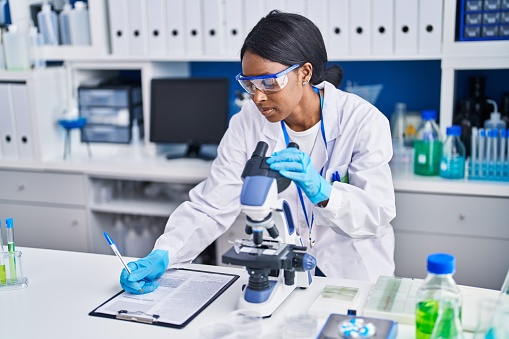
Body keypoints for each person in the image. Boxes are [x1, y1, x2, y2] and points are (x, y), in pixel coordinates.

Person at [120, 10, 396, 294]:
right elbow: (213, 204)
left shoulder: (363, 122)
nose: (258, 97)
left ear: (305, 72)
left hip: (354, 273)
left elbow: (376, 214)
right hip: (289, 272)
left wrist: (324, 192)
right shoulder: (247, 121)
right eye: (250, 84)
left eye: (269, 82)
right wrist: (166, 253)